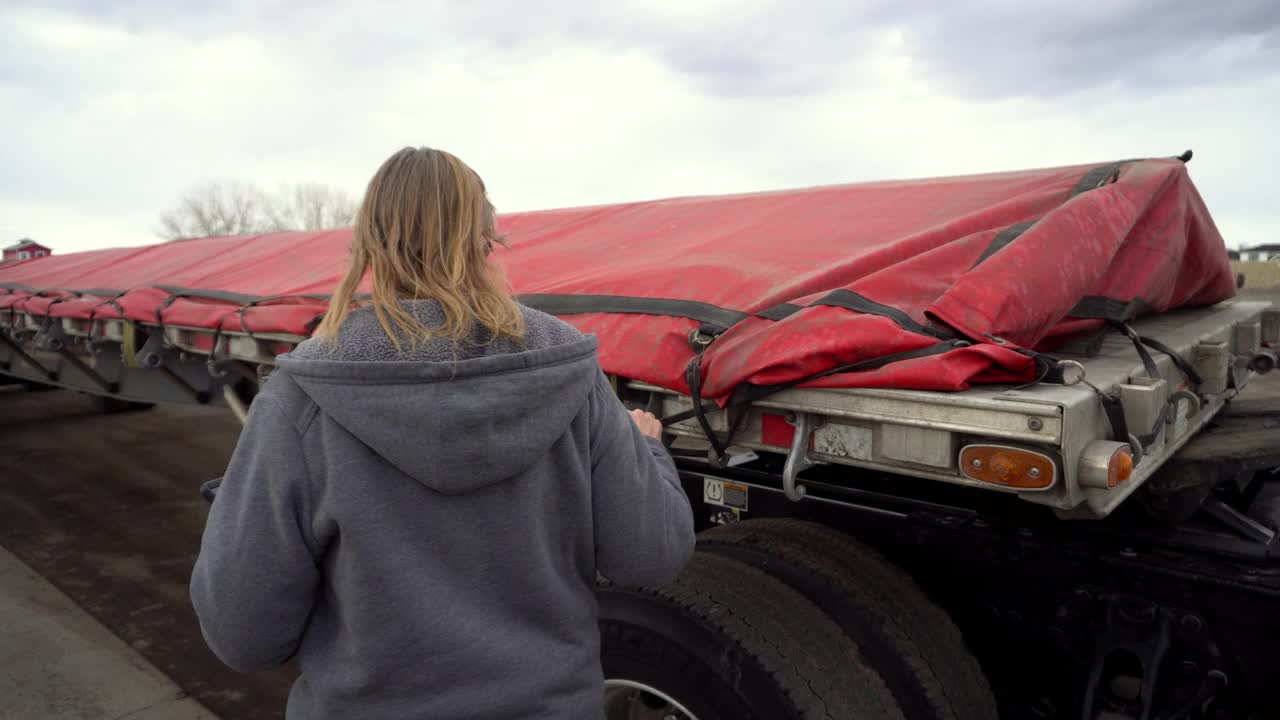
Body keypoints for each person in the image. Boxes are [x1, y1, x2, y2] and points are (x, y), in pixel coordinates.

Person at [190, 146, 696, 719]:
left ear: (369, 246)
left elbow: (245, 636)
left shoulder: (299, 401)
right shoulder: (571, 376)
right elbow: (651, 556)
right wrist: (647, 451)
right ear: (488, 241)